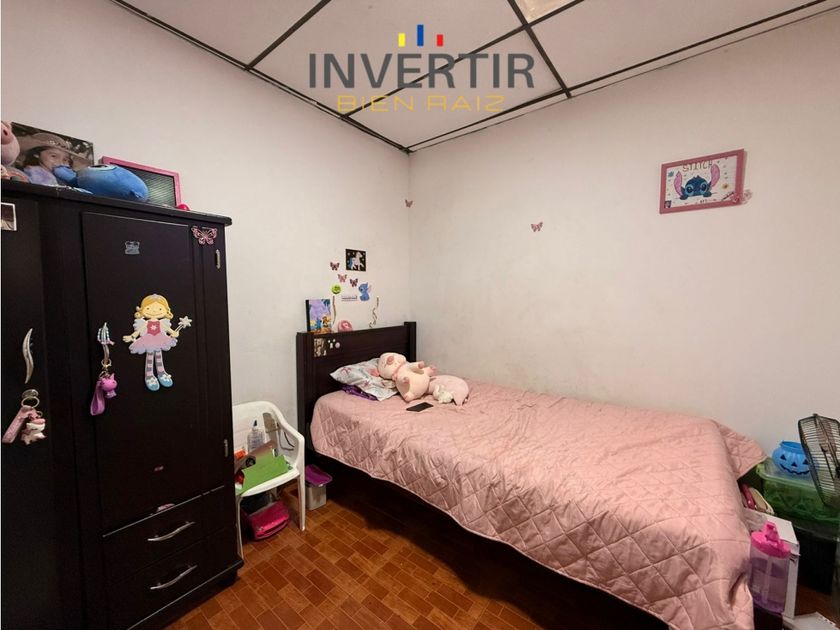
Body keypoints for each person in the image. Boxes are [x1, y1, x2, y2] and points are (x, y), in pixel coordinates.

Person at [17, 132, 90, 186]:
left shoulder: (63, 178)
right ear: (36, 154)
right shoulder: (34, 173)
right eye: (54, 156)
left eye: (65, 160)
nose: (60, 162)